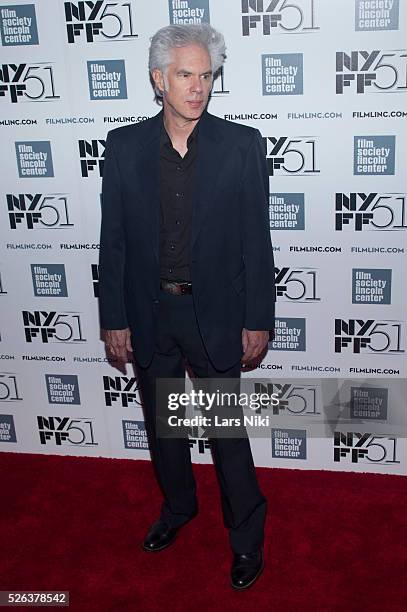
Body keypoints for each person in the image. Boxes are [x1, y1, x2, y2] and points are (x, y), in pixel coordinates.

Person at [98, 23, 275, 590]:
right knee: (165, 432)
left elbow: (257, 241)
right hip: (152, 315)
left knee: (227, 436)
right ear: (159, 79)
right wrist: (113, 317)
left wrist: (258, 318)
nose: (198, 87)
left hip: (217, 315)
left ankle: (247, 539)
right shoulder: (123, 148)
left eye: (206, 76)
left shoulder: (242, 146)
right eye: (185, 75)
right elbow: (114, 242)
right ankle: (178, 509)